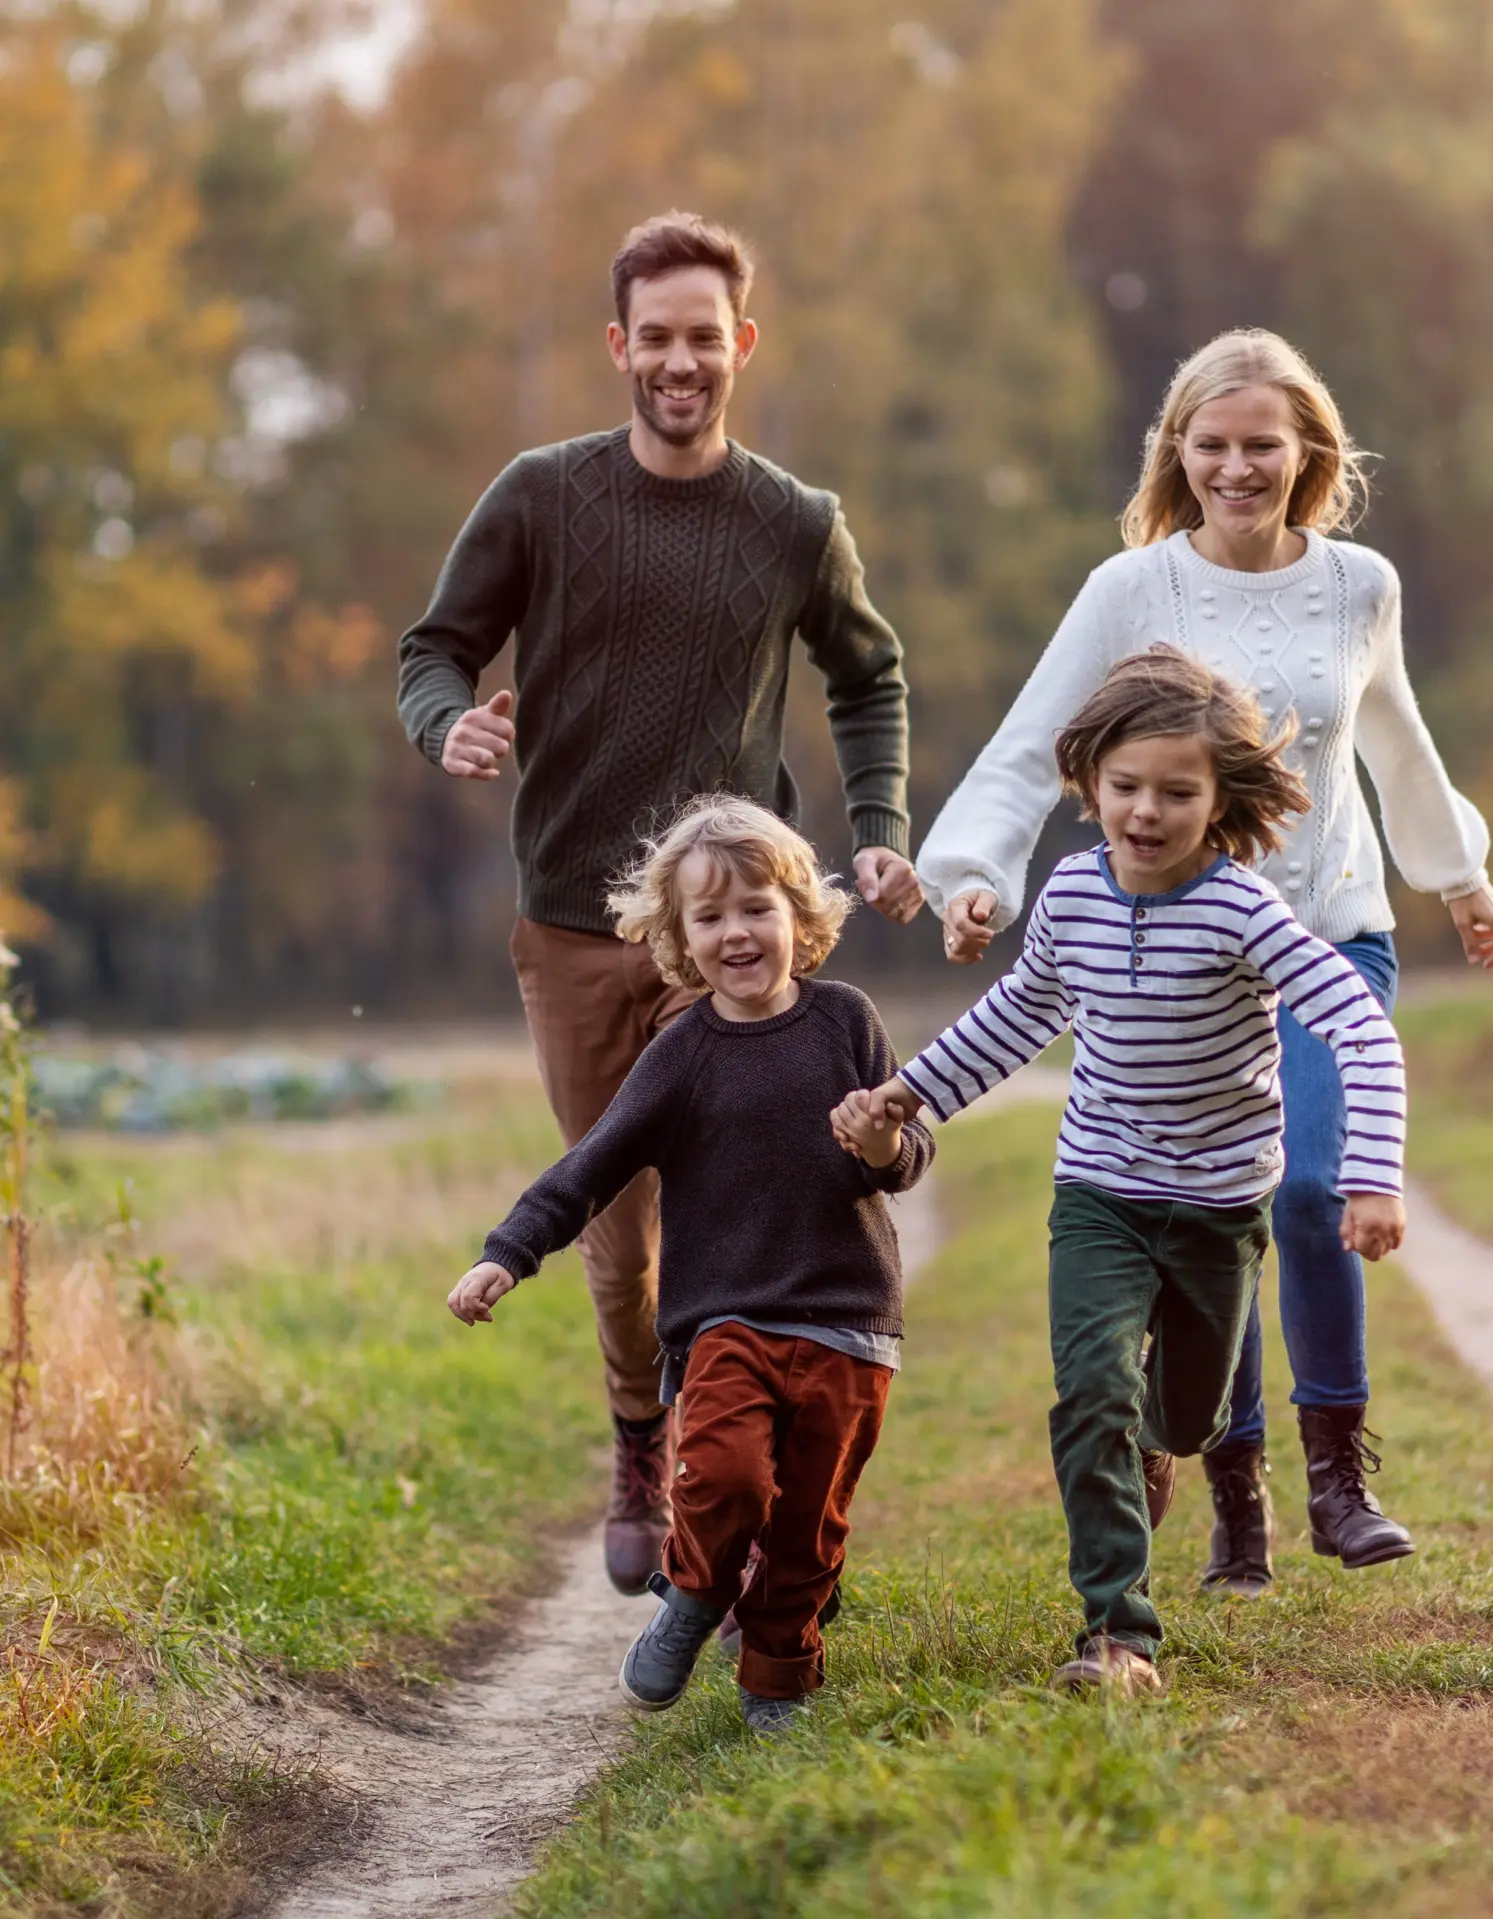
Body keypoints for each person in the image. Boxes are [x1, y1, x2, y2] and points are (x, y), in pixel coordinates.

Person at [913, 329, 1493, 1592]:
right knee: (1212, 1205)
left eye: (1262, 445)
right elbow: (1036, 742)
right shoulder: (1133, 588)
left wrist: (1459, 875)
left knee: (1307, 1186)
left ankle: (1339, 1471)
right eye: (1213, 444)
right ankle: (1237, 1491)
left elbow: (1394, 739)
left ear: (1308, 454)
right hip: (1184, 944)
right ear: (1177, 451)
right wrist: (973, 874)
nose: (1238, 467)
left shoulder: (1361, 584)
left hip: (1331, 926)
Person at [398, 211, 922, 1595]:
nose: (681, 361)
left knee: (741, 1203)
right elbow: (433, 646)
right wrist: (445, 720)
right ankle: (643, 1430)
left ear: (740, 345)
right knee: (619, 1224)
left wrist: (875, 831)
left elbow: (869, 675)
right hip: (574, 919)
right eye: (658, 337)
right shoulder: (539, 496)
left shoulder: (796, 522)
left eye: (707, 337)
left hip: (728, 932)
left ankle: (721, 1449)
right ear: (618, 345)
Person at [839, 650, 1407, 1695]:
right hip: (1099, 1190)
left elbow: (1359, 1029)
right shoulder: (1070, 892)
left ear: (1220, 797)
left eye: (1178, 791)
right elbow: (1018, 1015)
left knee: (1183, 1419)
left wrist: (1371, 1174)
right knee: (1091, 1390)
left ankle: (1164, 1450)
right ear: (1089, 779)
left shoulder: (1243, 910)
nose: (1147, 811)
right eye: (1127, 785)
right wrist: (907, 1094)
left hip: (1219, 1202)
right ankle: (1118, 1634)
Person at [449, 798, 931, 1735]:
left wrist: (880, 1145)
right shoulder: (683, 1054)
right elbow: (590, 1166)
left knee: (809, 1527)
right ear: (678, 938)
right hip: (726, 1321)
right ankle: (696, 1596)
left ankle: (776, 1679)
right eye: (708, 917)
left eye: (757, 906)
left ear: (801, 915)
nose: (736, 932)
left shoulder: (846, 1021)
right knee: (725, 1478)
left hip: (850, 1322)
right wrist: (507, 1253)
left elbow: (910, 1158)